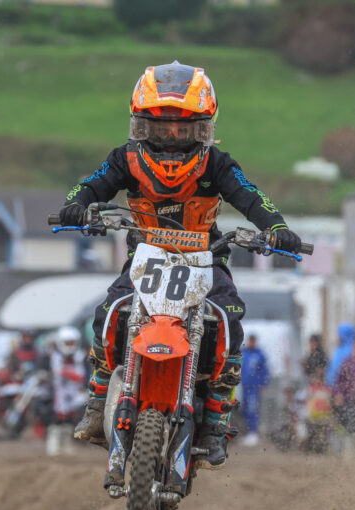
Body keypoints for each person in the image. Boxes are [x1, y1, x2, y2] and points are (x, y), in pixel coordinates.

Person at [62, 61, 304, 476]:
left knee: (229, 319)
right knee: (108, 313)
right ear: (141, 127)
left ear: (204, 130)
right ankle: (98, 401)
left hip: (207, 257)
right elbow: (91, 184)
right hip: (146, 256)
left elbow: (250, 196)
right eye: (161, 129)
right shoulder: (125, 159)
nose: (172, 139)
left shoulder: (217, 164)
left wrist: (276, 227)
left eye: (183, 130)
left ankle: (217, 419)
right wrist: (76, 205)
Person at [238, 335, 270, 446]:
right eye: (250, 341)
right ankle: (247, 432)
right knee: (243, 410)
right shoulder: (243, 353)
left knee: (253, 410)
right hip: (243, 387)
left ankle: (253, 433)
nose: (252, 343)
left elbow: (265, 371)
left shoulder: (260, 355)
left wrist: (264, 384)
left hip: (254, 388)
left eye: (253, 341)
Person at [49, 327, 86, 423]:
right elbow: (57, 372)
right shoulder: (56, 356)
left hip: (76, 391)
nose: (70, 346)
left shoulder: (80, 356)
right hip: (60, 390)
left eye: (72, 343)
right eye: (67, 343)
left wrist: (67, 373)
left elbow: (81, 376)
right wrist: (69, 374)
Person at [326, 324, 355, 388]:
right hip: (340, 387)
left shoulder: (350, 348)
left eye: (340, 334)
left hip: (349, 387)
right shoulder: (339, 348)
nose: (338, 336)